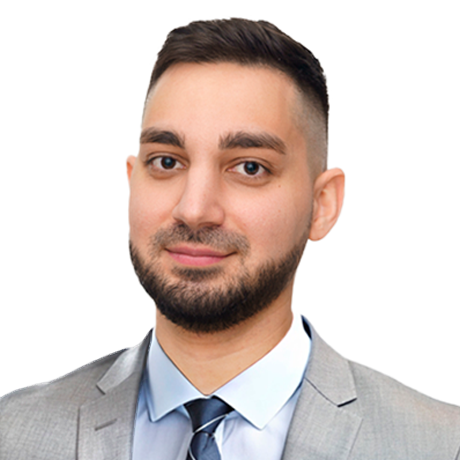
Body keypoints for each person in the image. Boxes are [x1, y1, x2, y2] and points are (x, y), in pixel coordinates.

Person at [1, 17, 459, 460]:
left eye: (249, 167)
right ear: (132, 180)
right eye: (166, 162)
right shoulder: (11, 435)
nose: (194, 209)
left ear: (322, 204)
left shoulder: (440, 446)